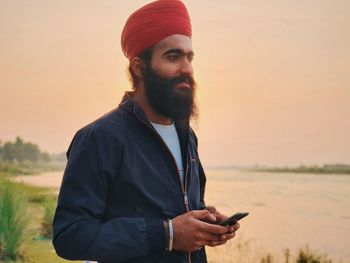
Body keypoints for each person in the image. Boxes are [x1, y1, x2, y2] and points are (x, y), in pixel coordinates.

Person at [52, 1, 240, 262]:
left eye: (190, 57)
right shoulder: (100, 138)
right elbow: (71, 236)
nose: (186, 68)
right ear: (138, 68)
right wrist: (168, 234)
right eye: (173, 57)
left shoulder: (186, 135)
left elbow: (175, 209)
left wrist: (204, 221)